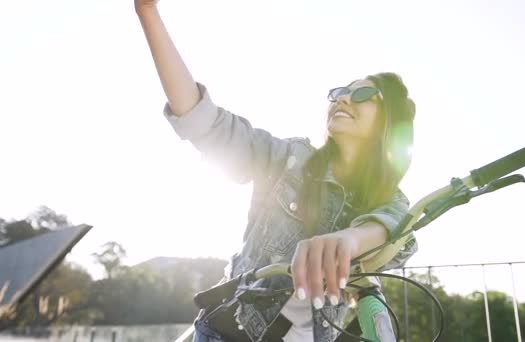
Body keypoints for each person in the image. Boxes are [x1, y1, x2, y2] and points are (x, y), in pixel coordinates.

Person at [135, 1, 418, 341]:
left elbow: (398, 232)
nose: (343, 99)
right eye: (339, 92)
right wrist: (147, 13)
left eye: (362, 93)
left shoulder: (389, 201)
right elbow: (204, 123)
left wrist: (349, 239)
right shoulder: (289, 157)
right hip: (226, 332)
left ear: (389, 120)